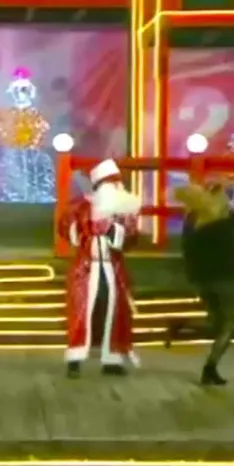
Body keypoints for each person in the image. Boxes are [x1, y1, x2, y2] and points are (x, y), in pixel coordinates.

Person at [170, 179, 234, 386]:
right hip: (226, 277)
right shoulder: (229, 219)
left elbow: (187, 249)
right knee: (227, 325)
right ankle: (210, 367)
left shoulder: (192, 218)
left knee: (215, 321)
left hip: (202, 278)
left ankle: (184, 326)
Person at [59, 158, 143, 378]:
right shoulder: (81, 207)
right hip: (85, 270)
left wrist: (116, 231)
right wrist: (85, 234)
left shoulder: (123, 211)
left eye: (117, 182)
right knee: (81, 313)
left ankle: (112, 359)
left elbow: (131, 239)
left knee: (114, 313)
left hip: (113, 269)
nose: (117, 187)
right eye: (111, 182)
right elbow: (66, 229)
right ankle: (75, 359)